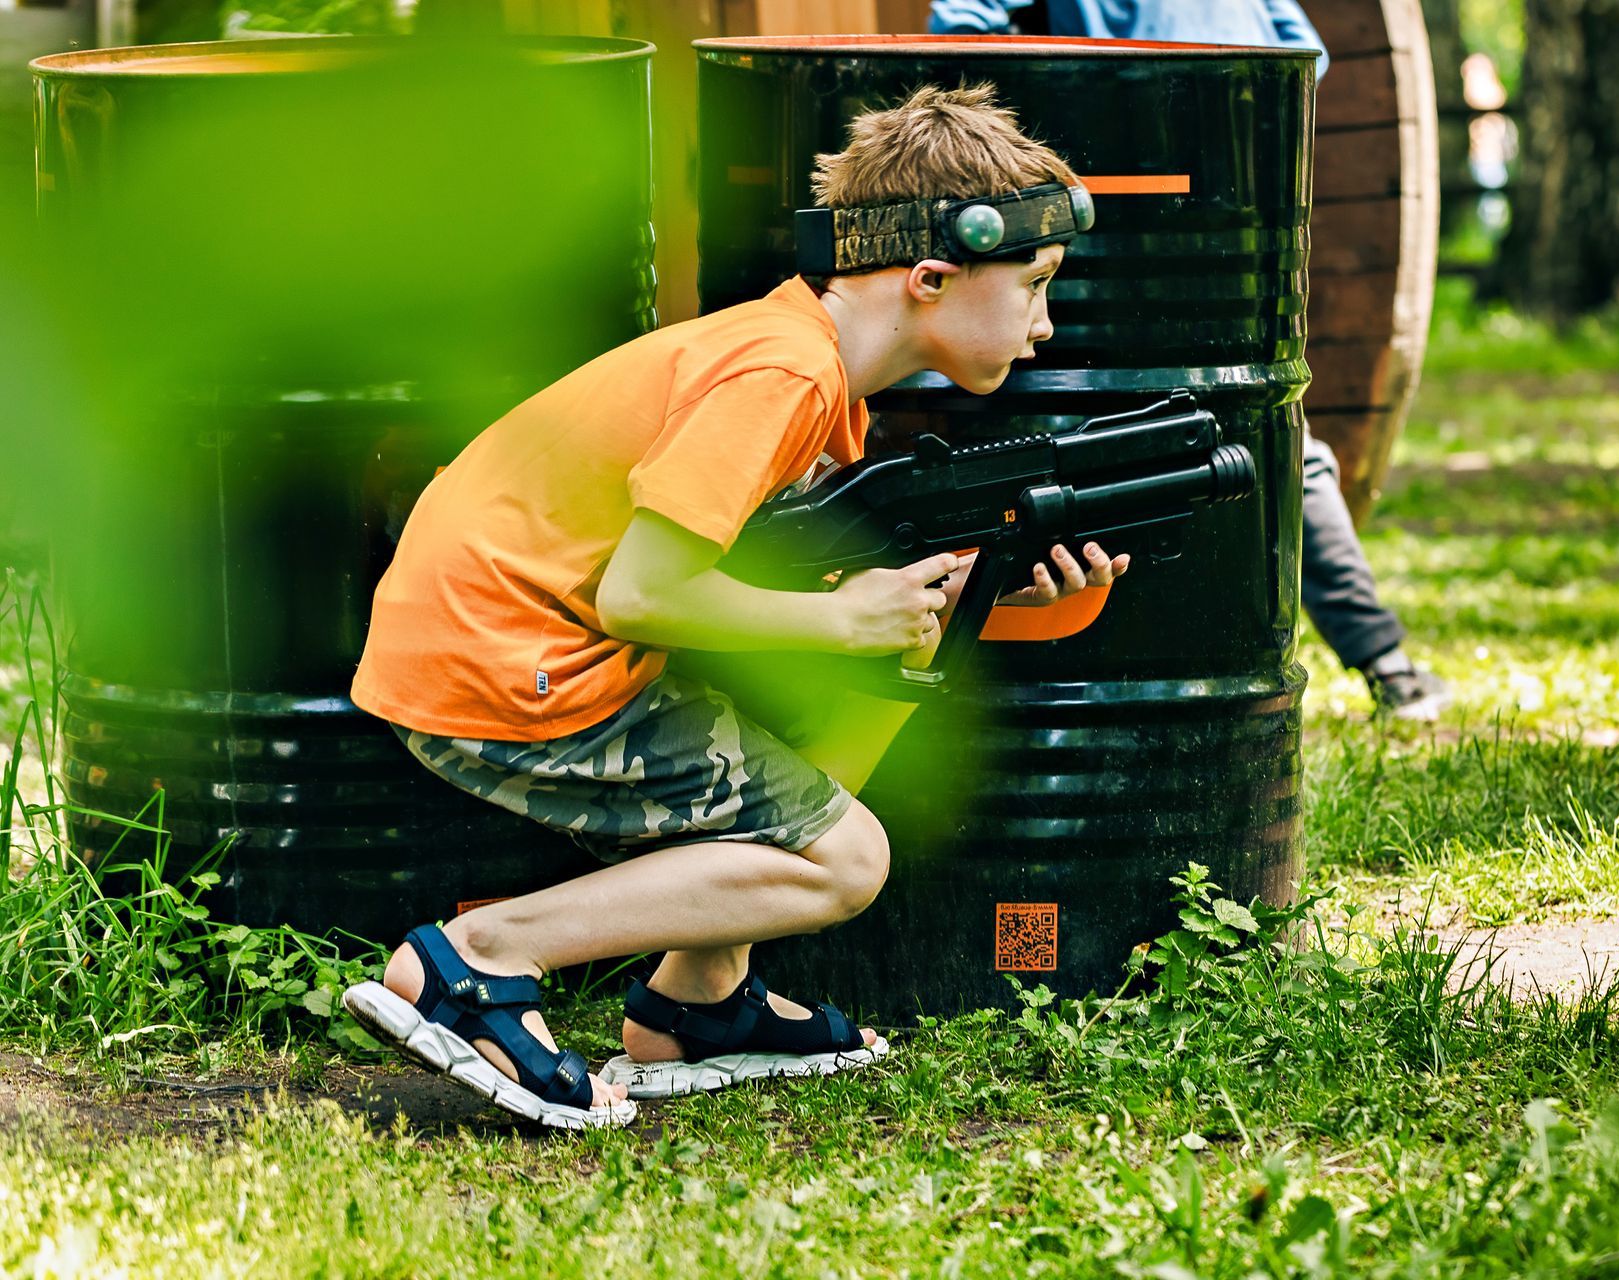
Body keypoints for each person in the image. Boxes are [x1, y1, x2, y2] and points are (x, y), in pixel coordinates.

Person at [342, 85, 1129, 1129]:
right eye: (1033, 284)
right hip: (507, 661)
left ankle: (695, 1002)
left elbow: (728, 589)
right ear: (932, 278)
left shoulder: (803, 369)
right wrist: (845, 620)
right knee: (850, 858)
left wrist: (988, 598)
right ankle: (476, 960)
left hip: (503, 641)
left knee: (852, 706)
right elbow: (644, 590)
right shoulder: (782, 373)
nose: (1044, 321)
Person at [930, 0, 1451, 721]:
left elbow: (959, 39)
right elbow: (1303, 62)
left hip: (1121, 209)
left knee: (1232, 430)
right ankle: (1382, 662)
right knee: (1255, 426)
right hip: (1224, 204)